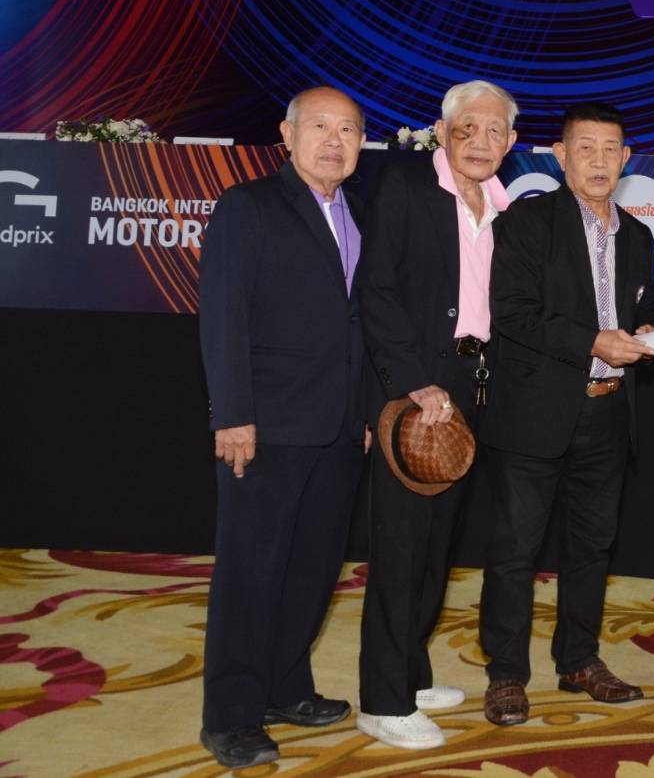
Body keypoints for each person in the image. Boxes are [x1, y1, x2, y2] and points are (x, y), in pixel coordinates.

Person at [197, 86, 371, 769]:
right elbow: (223, 317)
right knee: (251, 574)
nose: (334, 141)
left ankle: (285, 688)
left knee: (312, 569)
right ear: (287, 134)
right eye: (320, 126)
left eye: (348, 130)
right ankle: (231, 717)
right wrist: (233, 415)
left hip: (339, 427)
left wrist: (364, 411)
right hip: (265, 427)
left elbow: (359, 321)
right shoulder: (249, 206)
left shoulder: (358, 211)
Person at [479, 103, 654, 727]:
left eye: (611, 149)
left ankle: (579, 659)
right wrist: (594, 341)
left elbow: (642, 313)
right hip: (535, 414)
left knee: (592, 549)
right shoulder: (526, 222)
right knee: (515, 551)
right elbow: (512, 312)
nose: (599, 161)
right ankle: (506, 673)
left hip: (609, 414)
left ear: (626, 158)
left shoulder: (637, 235)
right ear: (561, 156)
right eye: (586, 148)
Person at [355, 80, 518, 748]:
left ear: (511, 141)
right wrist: (412, 383)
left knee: (437, 546)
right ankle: (382, 701)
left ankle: (411, 674)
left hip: (472, 385)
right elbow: (375, 289)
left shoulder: (505, 205)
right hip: (417, 385)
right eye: (467, 128)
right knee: (401, 548)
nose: (480, 142)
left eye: (494, 130)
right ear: (442, 132)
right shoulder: (405, 188)